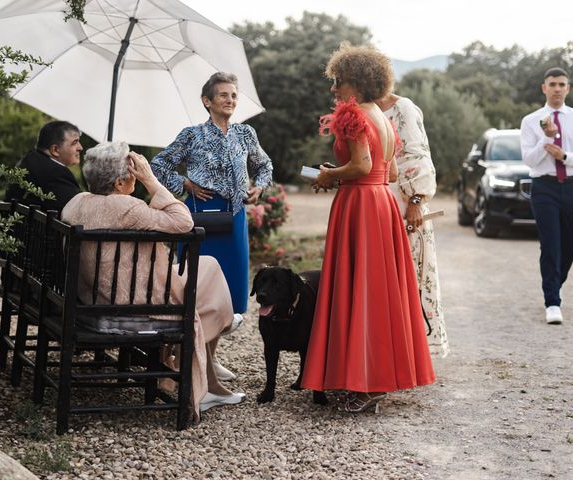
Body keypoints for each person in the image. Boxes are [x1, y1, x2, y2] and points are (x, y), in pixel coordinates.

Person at [61, 141, 245, 419]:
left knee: (207, 268)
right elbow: (183, 222)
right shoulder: (126, 208)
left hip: (94, 298)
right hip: (131, 309)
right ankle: (204, 355)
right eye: (133, 172)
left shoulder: (77, 202)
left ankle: (205, 360)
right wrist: (151, 180)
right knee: (207, 284)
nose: (137, 175)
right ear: (121, 182)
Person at [301, 43, 435, 412]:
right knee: (377, 291)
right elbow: (388, 171)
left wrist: (329, 174)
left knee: (358, 288)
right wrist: (347, 171)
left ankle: (364, 385)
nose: (334, 89)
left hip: (359, 204)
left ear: (355, 84)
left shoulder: (353, 114)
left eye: (338, 81)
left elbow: (360, 167)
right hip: (382, 204)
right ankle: (375, 377)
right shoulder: (381, 115)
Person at [151, 72, 273, 381]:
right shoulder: (191, 135)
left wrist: (259, 186)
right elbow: (158, 165)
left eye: (233, 95)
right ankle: (189, 357)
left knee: (228, 292)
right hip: (199, 217)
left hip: (233, 219)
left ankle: (209, 357)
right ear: (207, 101)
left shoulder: (246, 133)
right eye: (223, 95)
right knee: (198, 288)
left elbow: (265, 165)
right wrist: (185, 183)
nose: (230, 100)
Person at [376, 93, 449, 358]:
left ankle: (413, 349)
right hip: (381, 204)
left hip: (407, 208)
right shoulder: (368, 108)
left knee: (411, 277)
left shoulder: (402, 108)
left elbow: (419, 156)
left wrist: (417, 200)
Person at [520, 67, 573, 325]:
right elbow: (530, 161)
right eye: (552, 84)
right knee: (550, 244)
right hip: (543, 187)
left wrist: (565, 156)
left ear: (567, 88)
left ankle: (555, 285)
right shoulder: (530, 121)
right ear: (544, 88)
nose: (557, 89)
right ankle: (552, 302)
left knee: (570, 245)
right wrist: (545, 142)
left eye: (561, 84)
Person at [5, 120, 83, 212]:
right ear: (55, 150)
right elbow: (78, 212)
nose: (80, 148)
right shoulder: (55, 173)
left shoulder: (28, 161)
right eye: (74, 143)